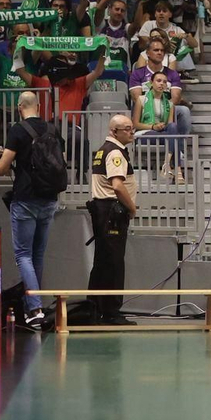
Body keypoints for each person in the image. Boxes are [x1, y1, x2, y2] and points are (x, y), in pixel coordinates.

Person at [0, 91, 64, 330]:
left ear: (19, 106)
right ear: (39, 105)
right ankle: (31, 303)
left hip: (25, 199)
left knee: (23, 255)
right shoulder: (52, 129)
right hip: (49, 199)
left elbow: (2, 169)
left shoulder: (18, 130)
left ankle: (34, 308)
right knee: (37, 255)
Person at [88, 114, 140, 326]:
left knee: (102, 261)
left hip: (103, 211)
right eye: (126, 129)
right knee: (114, 263)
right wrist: (132, 207)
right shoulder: (115, 152)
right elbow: (117, 185)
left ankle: (94, 308)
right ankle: (111, 311)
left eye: (131, 128)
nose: (131, 132)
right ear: (114, 132)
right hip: (112, 212)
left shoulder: (102, 150)